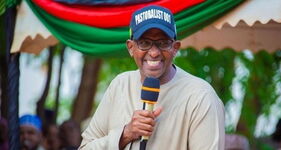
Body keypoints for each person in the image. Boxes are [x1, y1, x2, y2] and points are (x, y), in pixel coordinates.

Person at [79, 5, 225, 150]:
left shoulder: (201, 97)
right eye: (144, 43)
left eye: (163, 43)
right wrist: (125, 135)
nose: (154, 52)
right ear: (131, 47)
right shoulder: (120, 85)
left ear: (175, 48)